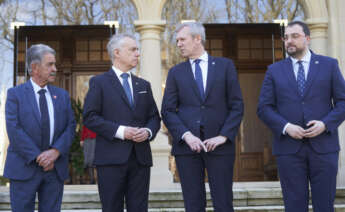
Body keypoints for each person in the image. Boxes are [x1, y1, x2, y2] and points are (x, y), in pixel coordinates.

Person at [257, 21, 345, 212]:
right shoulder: (274, 70)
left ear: (307, 38)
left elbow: (342, 102)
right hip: (289, 151)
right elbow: (264, 108)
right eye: (286, 37)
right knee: (294, 207)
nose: (289, 41)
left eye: (294, 36)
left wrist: (325, 124)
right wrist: (286, 127)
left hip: (324, 148)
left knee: (324, 206)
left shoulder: (329, 65)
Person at [161, 22, 244, 212]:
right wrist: (186, 135)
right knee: (193, 204)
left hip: (221, 146)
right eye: (177, 41)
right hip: (187, 149)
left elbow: (237, 105)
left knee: (223, 203)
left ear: (198, 39)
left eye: (182, 39)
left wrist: (223, 136)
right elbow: (167, 110)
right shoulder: (175, 73)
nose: (179, 44)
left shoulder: (225, 66)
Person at [83, 33, 161, 212]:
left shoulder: (144, 85)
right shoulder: (99, 82)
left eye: (138, 50)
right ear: (117, 53)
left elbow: (154, 117)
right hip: (110, 160)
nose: (137, 54)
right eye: (133, 49)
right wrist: (121, 131)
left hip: (140, 159)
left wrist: (148, 132)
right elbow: (90, 117)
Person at [4, 44, 76, 212]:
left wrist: (55, 152)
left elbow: (70, 126)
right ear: (35, 67)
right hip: (24, 168)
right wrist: (40, 157)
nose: (55, 69)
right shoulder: (15, 94)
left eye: (54, 64)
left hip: (54, 170)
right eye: (50, 64)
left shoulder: (62, 95)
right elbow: (14, 130)